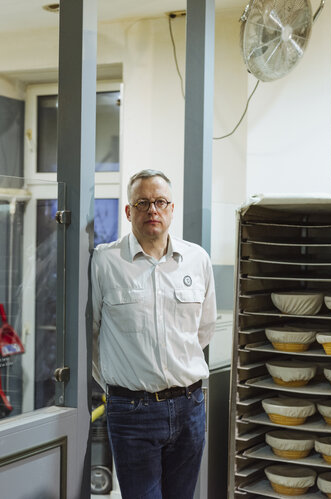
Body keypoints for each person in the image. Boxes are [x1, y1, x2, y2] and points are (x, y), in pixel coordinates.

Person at [91, 169, 217, 498]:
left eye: (160, 202)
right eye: (143, 202)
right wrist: (120, 384)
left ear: (172, 209)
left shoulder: (197, 260)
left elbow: (203, 331)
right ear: (129, 211)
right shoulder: (106, 262)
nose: (153, 210)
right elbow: (91, 336)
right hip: (132, 412)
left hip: (190, 407)